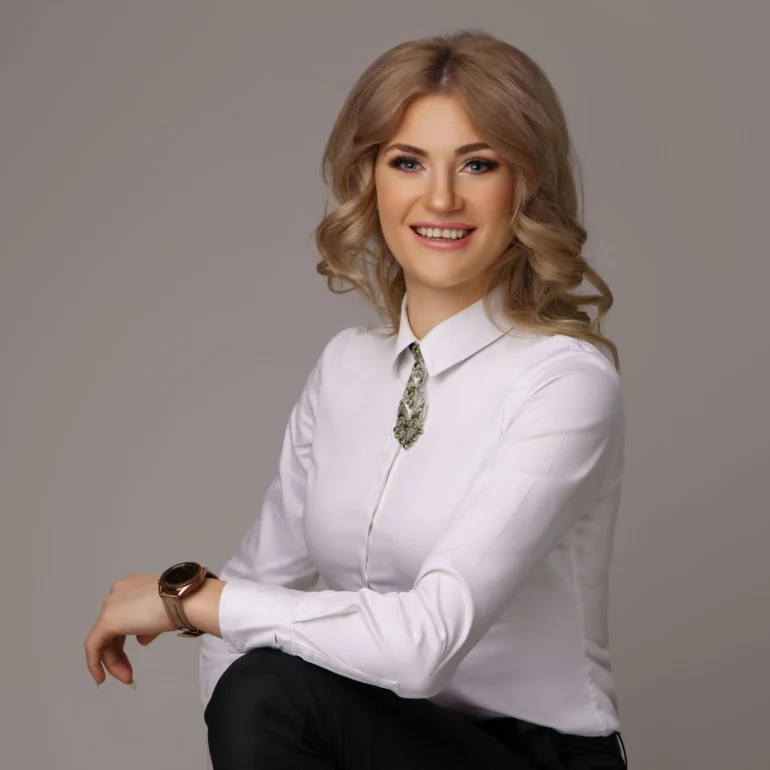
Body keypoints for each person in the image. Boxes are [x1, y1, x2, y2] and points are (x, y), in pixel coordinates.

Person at [84, 28, 629, 770]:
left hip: (535, 756)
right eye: (408, 162)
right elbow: (252, 607)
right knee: (256, 683)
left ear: (525, 185)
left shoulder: (564, 382)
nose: (441, 197)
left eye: (478, 163)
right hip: (368, 742)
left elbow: (426, 644)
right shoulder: (345, 368)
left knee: (269, 689)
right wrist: (221, 630)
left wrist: (189, 599)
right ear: (369, 180)